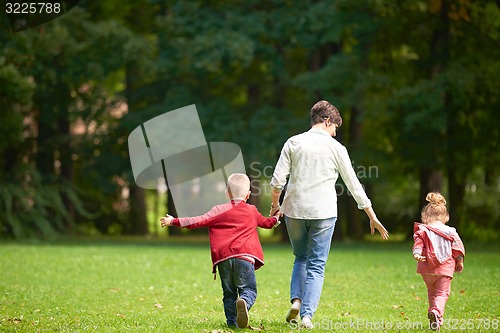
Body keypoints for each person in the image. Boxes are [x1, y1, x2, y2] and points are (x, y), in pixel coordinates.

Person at [269, 100, 389, 329]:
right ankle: (306, 316)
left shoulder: (294, 142)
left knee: (301, 258)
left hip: (294, 210)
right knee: (316, 264)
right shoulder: (337, 149)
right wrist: (371, 215)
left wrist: (276, 206)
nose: (335, 133)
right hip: (323, 212)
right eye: (335, 128)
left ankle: (296, 301)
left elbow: (277, 182)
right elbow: (354, 185)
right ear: (326, 121)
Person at [160, 173, 281, 329]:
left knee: (229, 293)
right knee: (249, 289)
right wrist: (276, 218)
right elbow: (267, 223)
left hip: (224, 259)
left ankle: (232, 323)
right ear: (248, 195)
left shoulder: (218, 210)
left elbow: (197, 221)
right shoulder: (251, 210)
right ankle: (244, 301)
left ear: (227, 193)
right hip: (245, 258)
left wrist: (173, 221)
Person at [413, 192, 465, 331]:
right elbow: (457, 247)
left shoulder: (422, 230)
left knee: (431, 292)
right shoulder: (451, 231)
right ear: (446, 216)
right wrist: (459, 262)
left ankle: (435, 320)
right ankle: (436, 312)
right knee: (442, 293)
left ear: (425, 217)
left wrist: (417, 254)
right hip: (444, 269)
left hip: (427, 269)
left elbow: (418, 244)